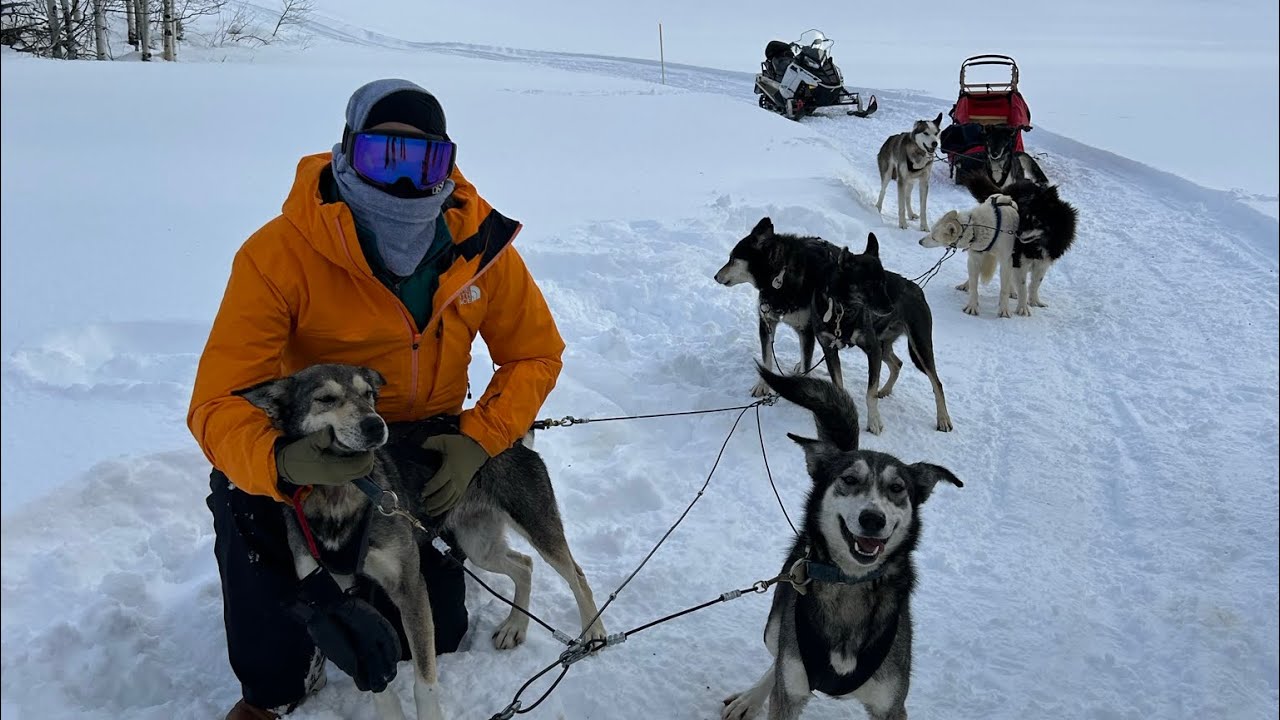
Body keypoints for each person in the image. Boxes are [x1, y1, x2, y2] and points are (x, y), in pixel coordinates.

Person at [188, 78, 565, 720]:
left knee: (437, 633)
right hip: (315, 436)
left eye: (424, 160)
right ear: (345, 153)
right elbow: (218, 402)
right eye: (381, 156)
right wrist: (280, 460)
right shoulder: (278, 254)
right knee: (247, 506)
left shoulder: (480, 247)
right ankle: (272, 683)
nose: (402, 179)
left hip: (427, 441)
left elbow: (535, 354)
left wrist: (481, 437)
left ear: (447, 164)